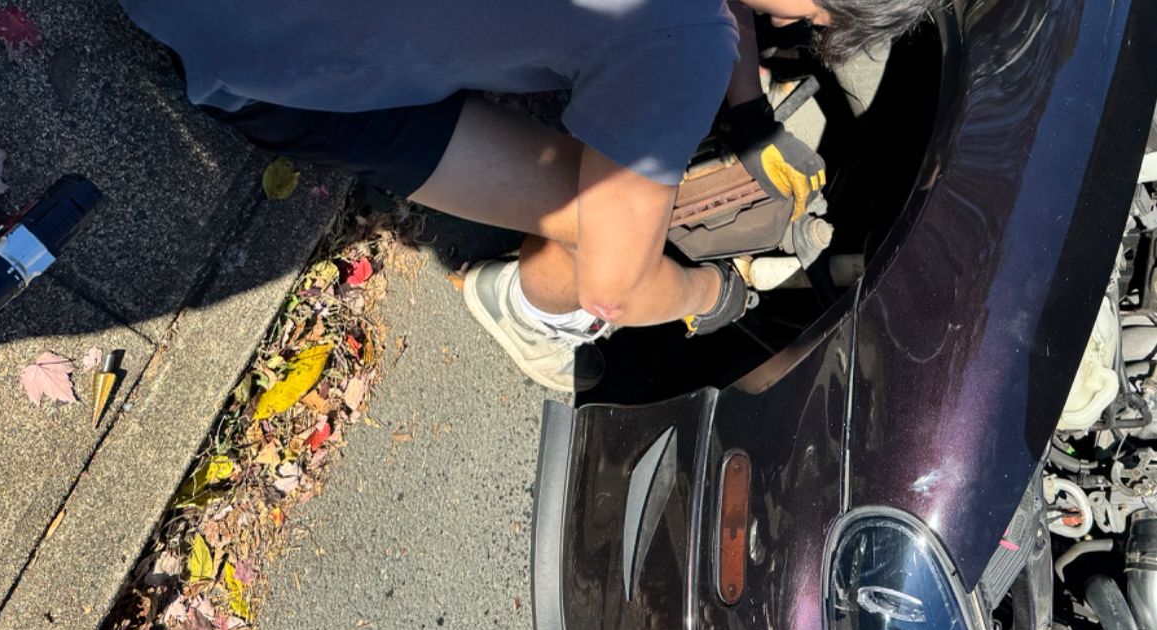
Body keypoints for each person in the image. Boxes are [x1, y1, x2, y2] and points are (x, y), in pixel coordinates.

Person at [121, 0, 935, 392]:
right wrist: (710, 293)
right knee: (605, 228)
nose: (802, 25)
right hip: (244, 48)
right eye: (818, 16)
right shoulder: (682, 42)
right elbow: (615, 287)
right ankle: (523, 310)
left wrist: (750, 117)